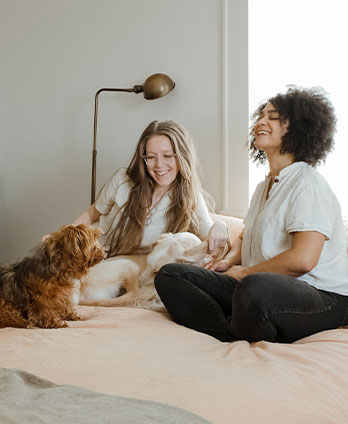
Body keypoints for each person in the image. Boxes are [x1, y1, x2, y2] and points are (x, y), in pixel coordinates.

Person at [154, 87, 348, 344]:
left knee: (254, 289)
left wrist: (245, 273)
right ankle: (231, 332)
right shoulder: (264, 187)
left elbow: (303, 260)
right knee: (171, 276)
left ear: (298, 128)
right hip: (257, 285)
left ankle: (242, 323)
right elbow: (246, 237)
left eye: (273, 117)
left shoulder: (307, 184)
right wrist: (228, 262)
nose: (261, 122)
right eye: (261, 116)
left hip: (321, 296)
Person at [70, 120, 228, 257]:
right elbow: (92, 213)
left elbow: (210, 238)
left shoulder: (190, 196)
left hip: (133, 269)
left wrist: (221, 226)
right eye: (151, 157)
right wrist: (65, 235)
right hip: (94, 256)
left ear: (182, 156)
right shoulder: (122, 179)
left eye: (167, 156)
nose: (159, 165)